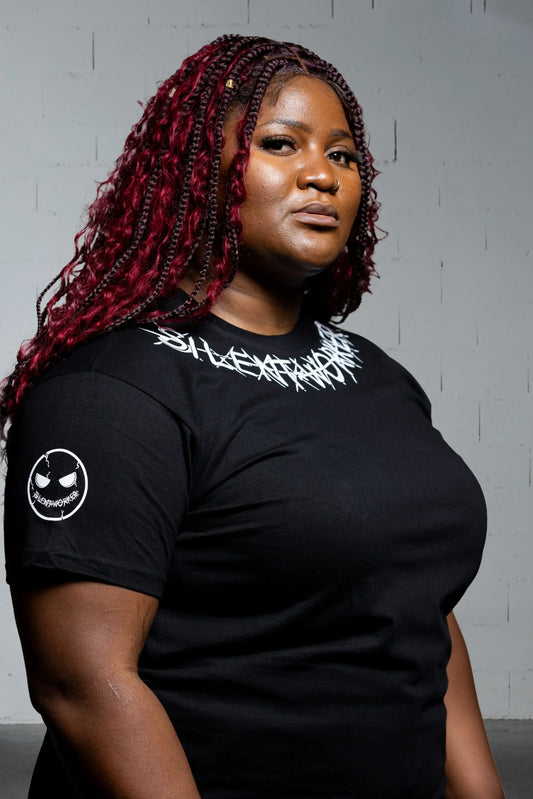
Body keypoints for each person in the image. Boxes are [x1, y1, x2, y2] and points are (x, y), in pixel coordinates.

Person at [1, 34, 504, 799]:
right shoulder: (112, 390)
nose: (322, 175)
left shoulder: (376, 376)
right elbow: (83, 686)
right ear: (201, 171)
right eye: (280, 144)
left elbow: (418, 614)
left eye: (343, 157)